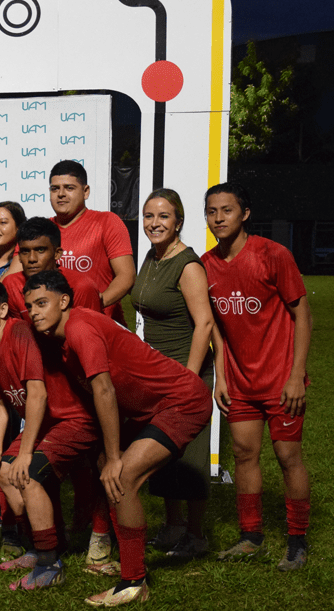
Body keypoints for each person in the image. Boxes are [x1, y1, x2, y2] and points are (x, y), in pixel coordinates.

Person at [24, 271, 210, 606]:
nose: (34, 311)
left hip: (183, 403)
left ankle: (133, 581)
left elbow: (105, 390)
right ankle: (121, 562)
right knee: (108, 472)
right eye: (30, 306)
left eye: (41, 303)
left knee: (122, 475)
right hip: (150, 410)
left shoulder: (79, 328)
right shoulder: (63, 336)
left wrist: (114, 456)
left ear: (64, 301)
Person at [203, 182, 312, 572]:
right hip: (240, 385)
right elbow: (213, 325)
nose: (218, 218)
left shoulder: (272, 254)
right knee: (245, 456)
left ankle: (297, 542)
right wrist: (221, 376)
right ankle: (251, 538)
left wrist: (296, 375)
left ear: (244, 214)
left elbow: (303, 315)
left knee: (287, 457)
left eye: (227, 210)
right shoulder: (206, 264)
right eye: (212, 211)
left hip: (281, 380)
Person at [0, 278, 100, 591]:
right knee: (3, 470)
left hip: (73, 420)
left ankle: (50, 563)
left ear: (2, 310)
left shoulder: (20, 332)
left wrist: (25, 453)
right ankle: (38, 546)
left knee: (28, 475)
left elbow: (36, 395)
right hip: (47, 425)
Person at [131, 189, 217, 558]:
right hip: (158, 373)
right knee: (164, 451)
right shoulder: (151, 257)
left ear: (179, 221)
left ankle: (197, 536)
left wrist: (189, 377)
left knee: (191, 456)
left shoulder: (188, 265)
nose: (155, 223)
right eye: (149, 216)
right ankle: (172, 526)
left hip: (188, 370)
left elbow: (204, 324)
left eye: (163, 216)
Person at [49, 160, 135, 325]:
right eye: (55, 188)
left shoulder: (107, 222)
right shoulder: (42, 230)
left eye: (69, 188)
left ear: (85, 191)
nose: (61, 194)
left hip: (100, 327)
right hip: (56, 329)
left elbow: (126, 276)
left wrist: (94, 303)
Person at [2, 217, 103, 321]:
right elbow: (19, 333)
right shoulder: (11, 285)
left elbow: (91, 333)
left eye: (40, 250)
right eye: (25, 251)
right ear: (19, 256)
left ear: (57, 253)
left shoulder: (82, 287)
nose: (32, 259)